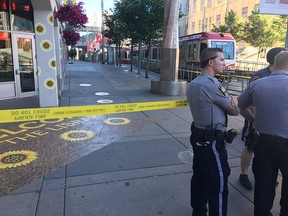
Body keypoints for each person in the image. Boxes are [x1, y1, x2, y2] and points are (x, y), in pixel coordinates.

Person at [187, 47, 240, 216]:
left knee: (200, 178)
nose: (224, 63)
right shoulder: (212, 85)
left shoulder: (194, 83)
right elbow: (235, 111)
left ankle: (198, 211)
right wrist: (233, 102)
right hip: (212, 142)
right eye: (222, 60)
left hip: (198, 136)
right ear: (211, 62)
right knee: (218, 182)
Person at [238, 50, 288, 216]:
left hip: (263, 143)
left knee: (264, 184)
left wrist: (254, 120)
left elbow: (241, 106)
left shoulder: (257, 83)